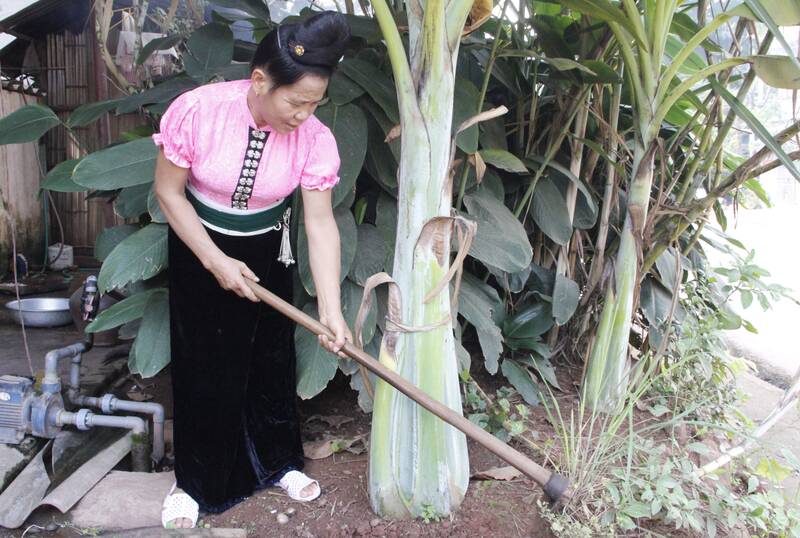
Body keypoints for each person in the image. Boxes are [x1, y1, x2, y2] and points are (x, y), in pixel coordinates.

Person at [152, 12, 352, 529]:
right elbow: (169, 194)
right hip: (200, 244)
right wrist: (215, 259)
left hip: (268, 249)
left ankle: (278, 464)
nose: (304, 115)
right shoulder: (198, 111)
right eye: (296, 102)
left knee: (270, 360)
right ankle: (193, 483)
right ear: (260, 81)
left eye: (315, 103)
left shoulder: (314, 138)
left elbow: (321, 223)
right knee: (205, 365)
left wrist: (331, 310)